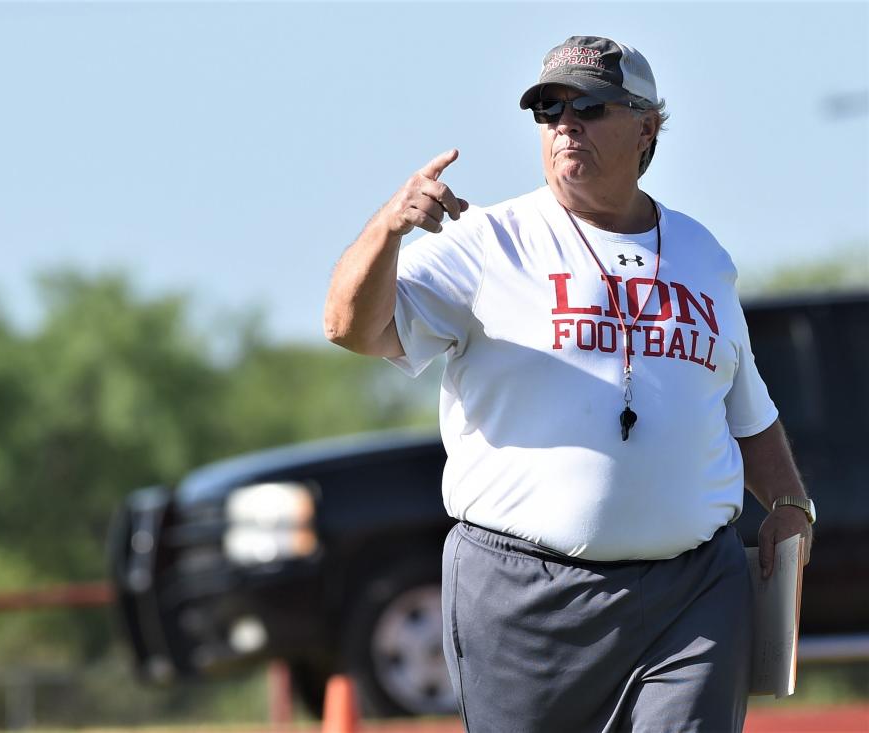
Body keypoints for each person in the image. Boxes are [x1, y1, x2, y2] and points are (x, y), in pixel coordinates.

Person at [323, 35, 814, 732]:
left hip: (692, 594)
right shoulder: (490, 240)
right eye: (548, 110)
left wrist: (790, 502)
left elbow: (748, 408)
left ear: (647, 126)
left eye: (590, 105)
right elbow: (350, 326)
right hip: (525, 597)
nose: (565, 123)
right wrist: (388, 230)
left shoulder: (703, 254)